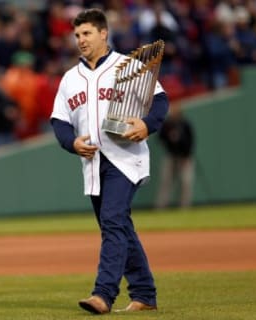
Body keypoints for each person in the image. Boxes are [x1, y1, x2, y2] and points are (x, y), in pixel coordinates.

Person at [50, 8, 169, 315]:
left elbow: (160, 100)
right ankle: (145, 294)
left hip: (125, 158)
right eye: (77, 35)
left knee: (113, 221)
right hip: (92, 165)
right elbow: (60, 121)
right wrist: (71, 142)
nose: (81, 40)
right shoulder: (69, 79)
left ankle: (103, 294)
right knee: (119, 227)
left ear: (104, 33)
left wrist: (147, 124)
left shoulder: (127, 67)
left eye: (87, 33)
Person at [155, 103, 195, 208]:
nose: (174, 114)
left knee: (186, 183)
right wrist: (169, 138)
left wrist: (186, 155)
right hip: (171, 155)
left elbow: (191, 141)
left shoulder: (185, 124)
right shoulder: (167, 124)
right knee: (166, 182)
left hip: (184, 157)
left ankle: (184, 206)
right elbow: (160, 138)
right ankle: (161, 206)